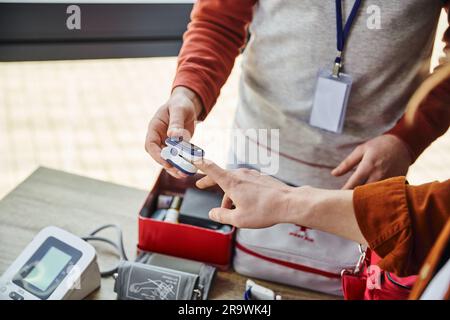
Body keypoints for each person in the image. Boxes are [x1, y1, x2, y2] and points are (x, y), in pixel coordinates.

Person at [145, 0, 450, 291]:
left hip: (367, 176)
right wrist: (188, 92)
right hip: (257, 153)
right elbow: (218, 20)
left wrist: (408, 138)